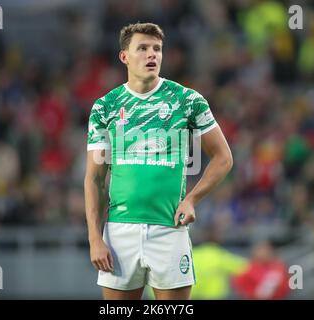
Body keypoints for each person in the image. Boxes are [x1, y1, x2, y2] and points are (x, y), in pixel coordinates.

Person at [84, 22, 233, 300]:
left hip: (169, 230)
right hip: (119, 232)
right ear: (124, 56)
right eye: (142, 48)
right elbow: (94, 178)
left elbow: (223, 158)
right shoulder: (105, 107)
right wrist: (95, 238)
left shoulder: (188, 101)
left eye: (157, 49)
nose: (151, 54)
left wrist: (191, 199)